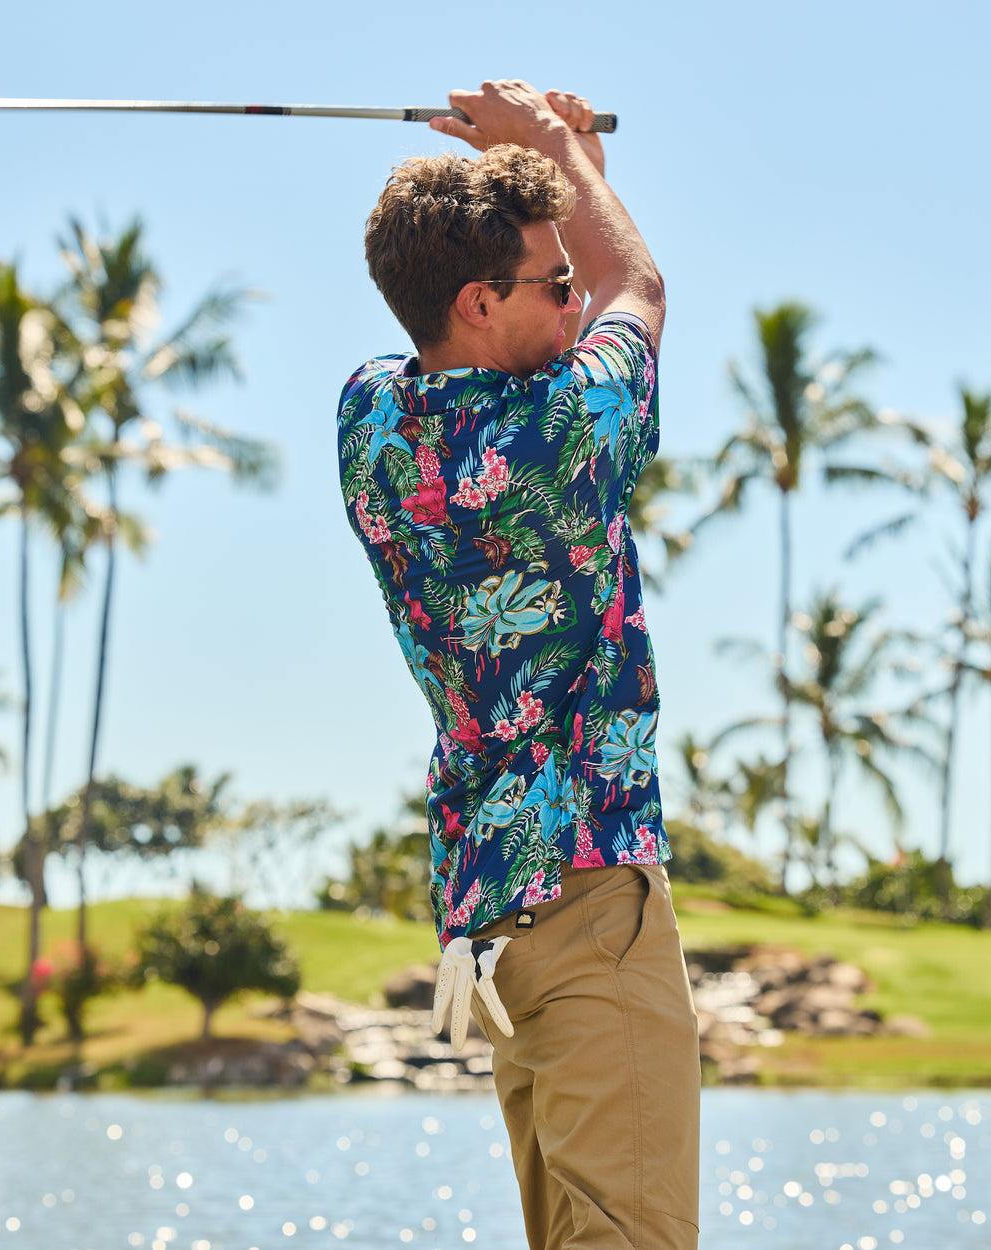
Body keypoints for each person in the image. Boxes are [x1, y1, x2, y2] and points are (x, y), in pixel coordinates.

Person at [336, 79, 701, 1250]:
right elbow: (638, 291)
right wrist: (552, 147)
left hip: (495, 913)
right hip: (589, 900)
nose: (573, 299)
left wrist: (563, 169)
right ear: (478, 301)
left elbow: (589, 300)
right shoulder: (560, 429)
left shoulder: (369, 421)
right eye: (551, 285)